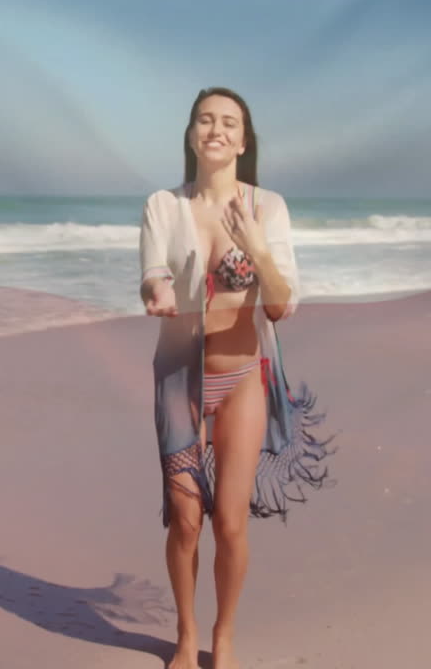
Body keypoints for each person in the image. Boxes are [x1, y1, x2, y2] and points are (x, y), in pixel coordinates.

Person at [139, 87, 335, 669]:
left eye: (229, 122)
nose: (216, 130)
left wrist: (257, 249)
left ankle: (223, 638)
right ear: (191, 134)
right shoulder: (163, 205)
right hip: (179, 380)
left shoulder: (266, 207)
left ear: (243, 141)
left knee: (228, 522)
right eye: (205, 120)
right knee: (185, 521)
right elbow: (151, 271)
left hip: (243, 378)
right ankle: (185, 636)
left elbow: (280, 305)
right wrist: (157, 290)